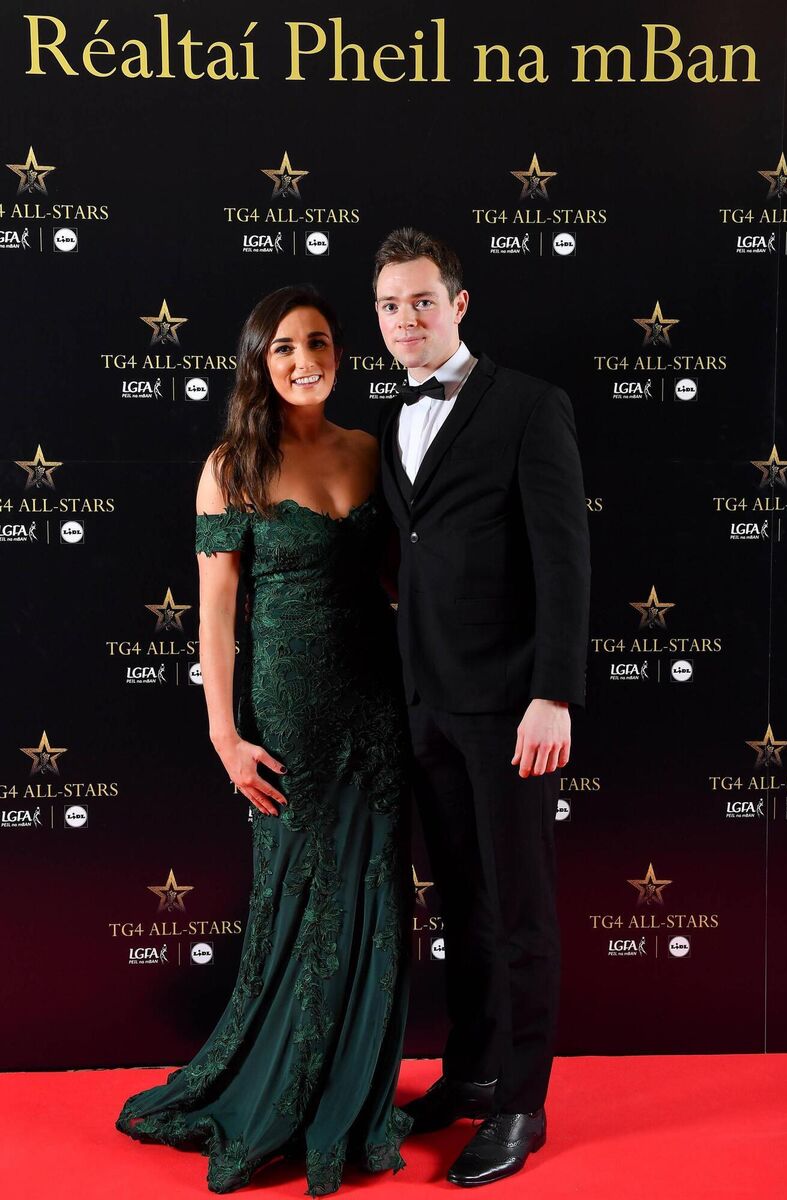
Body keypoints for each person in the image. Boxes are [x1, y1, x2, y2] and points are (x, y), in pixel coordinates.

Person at [116, 286, 412, 1196]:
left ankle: (356, 1095)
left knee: (375, 901)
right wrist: (224, 737)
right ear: (259, 362)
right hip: (290, 714)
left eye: (317, 342)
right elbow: (214, 617)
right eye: (282, 347)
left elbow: (405, 585)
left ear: (339, 352)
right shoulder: (231, 465)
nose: (302, 359)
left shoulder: (370, 450)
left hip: (379, 706)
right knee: (299, 902)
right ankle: (275, 1088)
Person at [373, 228, 591, 1187]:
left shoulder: (530, 407)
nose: (405, 321)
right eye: (388, 306)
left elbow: (564, 562)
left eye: (422, 301)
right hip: (422, 706)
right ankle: (468, 1075)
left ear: (459, 304)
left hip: (509, 709)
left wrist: (553, 694)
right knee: (459, 902)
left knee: (519, 912)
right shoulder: (390, 419)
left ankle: (521, 1104)